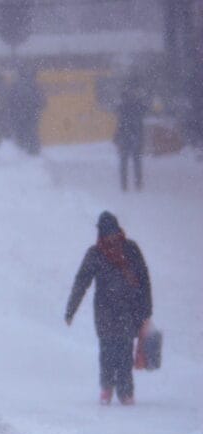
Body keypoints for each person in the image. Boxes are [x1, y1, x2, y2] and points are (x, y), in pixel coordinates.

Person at [65, 211, 152, 406]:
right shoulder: (96, 253)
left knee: (123, 351)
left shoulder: (129, 249)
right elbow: (81, 282)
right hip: (107, 312)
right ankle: (109, 389)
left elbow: (143, 279)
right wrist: (71, 309)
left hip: (125, 311)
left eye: (112, 231)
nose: (111, 236)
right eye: (107, 232)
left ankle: (123, 392)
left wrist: (146, 311)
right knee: (108, 351)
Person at [114, 80, 148, 192]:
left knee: (125, 162)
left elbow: (120, 122)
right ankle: (137, 184)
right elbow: (144, 111)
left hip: (126, 136)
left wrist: (117, 136)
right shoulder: (137, 105)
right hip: (135, 135)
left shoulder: (123, 106)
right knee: (135, 161)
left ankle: (125, 185)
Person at [10, 69, 45, 155]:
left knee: (21, 131)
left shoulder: (15, 86)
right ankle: (33, 151)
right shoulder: (34, 86)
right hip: (32, 114)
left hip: (19, 114)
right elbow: (42, 101)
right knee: (32, 132)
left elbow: (10, 101)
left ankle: (21, 150)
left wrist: (14, 111)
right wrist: (38, 108)